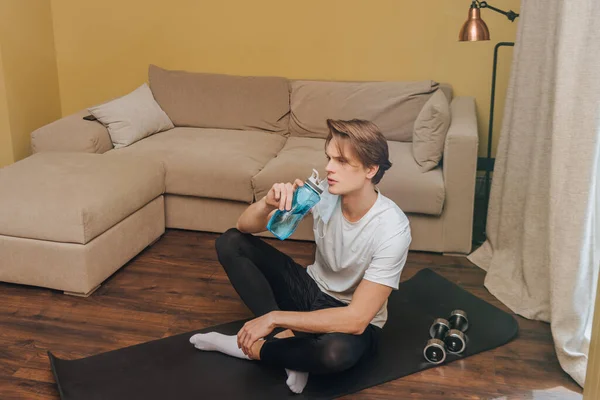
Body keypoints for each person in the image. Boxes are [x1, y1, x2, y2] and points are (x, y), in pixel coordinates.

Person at [190, 119, 412, 394]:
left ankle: (249, 348)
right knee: (230, 243)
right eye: (329, 158)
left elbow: (356, 318)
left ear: (371, 169)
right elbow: (244, 227)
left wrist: (274, 318)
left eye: (342, 161)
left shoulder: (392, 227)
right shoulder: (323, 194)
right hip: (310, 289)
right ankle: (287, 346)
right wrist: (266, 203)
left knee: (334, 354)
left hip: (351, 318)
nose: (329, 168)